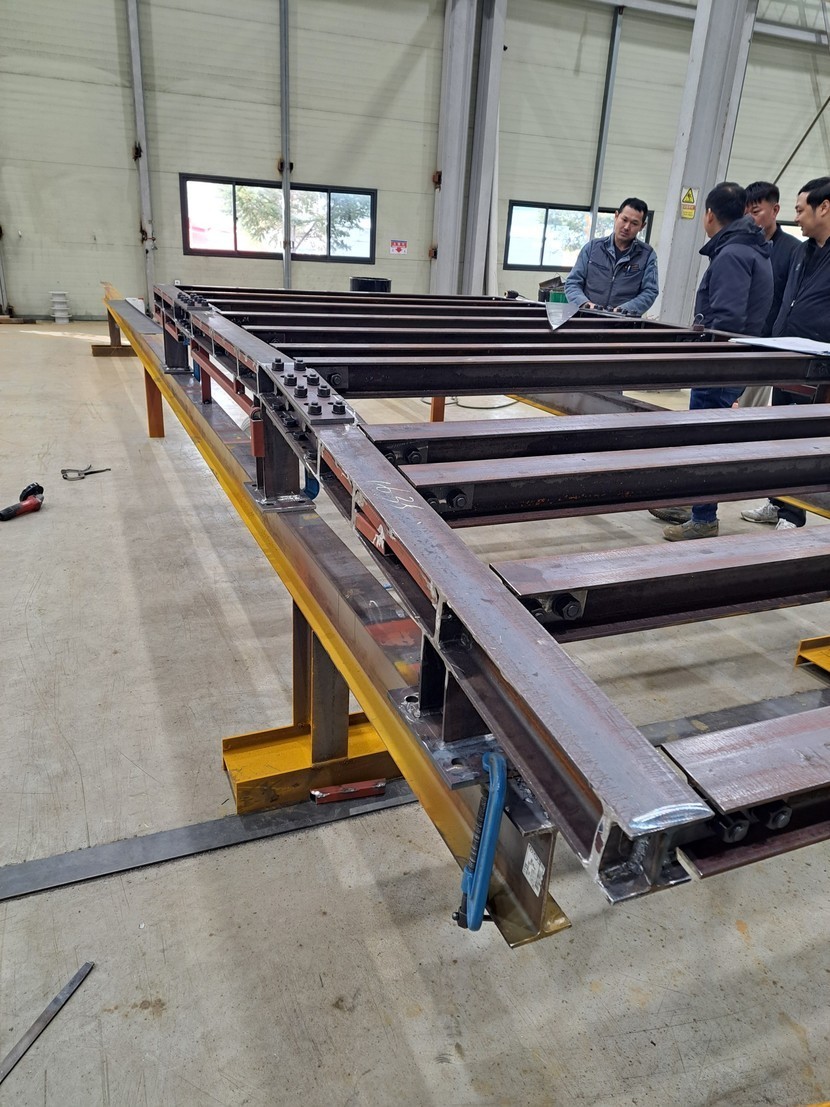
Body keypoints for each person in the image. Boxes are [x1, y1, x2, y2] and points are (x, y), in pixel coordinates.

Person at [655, 181, 773, 541]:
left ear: (709, 214)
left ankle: (704, 517)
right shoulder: (751, 249)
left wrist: (708, 360)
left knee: (705, 441)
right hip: (733, 361)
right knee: (706, 439)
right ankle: (694, 504)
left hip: (720, 364)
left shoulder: (732, 254)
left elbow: (727, 320)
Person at [740, 176, 830, 531]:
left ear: (824, 207)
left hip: (819, 364)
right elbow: (785, 301)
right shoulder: (801, 252)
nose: (796, 217)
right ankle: (779, 502)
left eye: (800, 209)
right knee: (780, 435)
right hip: (787, 355)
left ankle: (795, 513)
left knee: (806, 439)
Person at [737, 180, 801, 407]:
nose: (749, 219)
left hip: (768, 345)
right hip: (738, 339)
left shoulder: (794, 251)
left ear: (775, 210)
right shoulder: (740, 247)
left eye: (755, 212)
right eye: (745, 213)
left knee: (753, 410)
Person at [564, 198, 658, 316]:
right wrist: (586, 305)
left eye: (634, 223)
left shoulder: (647, 255)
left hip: (624, 323)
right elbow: (572, 282)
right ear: (616, 216)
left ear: (642, 226)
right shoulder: (592, 248)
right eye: (624, 220)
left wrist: (622, 311)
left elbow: (650, 291)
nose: (627, 227)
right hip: (586, 319)